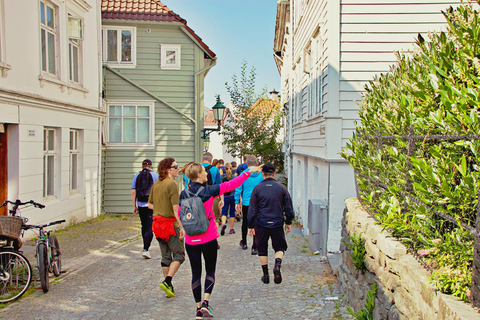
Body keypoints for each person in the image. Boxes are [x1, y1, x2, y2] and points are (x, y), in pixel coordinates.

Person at [180, 162, 263, 319]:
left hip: (191, 240)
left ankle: (198, 310)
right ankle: (205, 302)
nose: (207, 173)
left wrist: (183, 230)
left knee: (195, 273)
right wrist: (248, 172)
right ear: (198, 175)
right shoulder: (209, 191)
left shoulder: (183, 194)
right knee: (210, 270)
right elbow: (231, 184)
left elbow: (181, 213)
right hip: (208, 237)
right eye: (204, 171)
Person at [248, 164, 294, 285]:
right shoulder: (282, 188)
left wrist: (250, 226)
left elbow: (252, 209)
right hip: (277, 223)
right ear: (274, 174)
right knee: (280, 247)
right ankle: (277, 265)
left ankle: (266, 275)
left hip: (261, 223)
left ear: (262, 174)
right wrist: (288, 222)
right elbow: (288, 208)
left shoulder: (257, 189)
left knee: (262, 249)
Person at [148, 158, 185, 298]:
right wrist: (182, 227)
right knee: (179, 254)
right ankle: (168, 281)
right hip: (170, 224)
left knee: (165, 255)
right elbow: (176, 209)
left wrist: (160, 208)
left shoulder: (156, 184)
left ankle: (168, 288)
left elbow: (150, 204)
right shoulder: (173, 185)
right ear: (168, 169)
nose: (178, 169)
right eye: (176, 166)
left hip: (157, 224)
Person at [235, 155, 263, 254]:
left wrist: (237, 201)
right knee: (256, 223)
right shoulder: (260, 175)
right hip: (258, 203)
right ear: (256, 163)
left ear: (247, 164)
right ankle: (255, 246)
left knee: (245, 223)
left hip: (247, 202)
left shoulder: (244, 174)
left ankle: (245, 242)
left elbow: (238, 188)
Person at [131, 159, 158, 259]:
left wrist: (134, 205)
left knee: (143, 225)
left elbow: (133, 192)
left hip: (141, 204)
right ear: (151, 166)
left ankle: (145, 246)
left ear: (142, 166)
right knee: (150, 226)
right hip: (152, 205)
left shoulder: (136, 176)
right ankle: (146, 249)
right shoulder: (155, 175)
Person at [202, 152, 223, 223]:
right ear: (211, 160)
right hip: (212, 196)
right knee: (214, 219)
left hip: (199, 196)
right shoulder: (215, 169)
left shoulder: (197, 168)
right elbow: (219, 186)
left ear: (202, 160)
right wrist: (221, 199)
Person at [220, 163, 236, 235]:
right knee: (232, 212)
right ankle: (231, 229)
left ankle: (223, 224)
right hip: (233, 196)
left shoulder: (222, 177)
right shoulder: (234, 177)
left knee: (224, 212)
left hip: (225, 196)